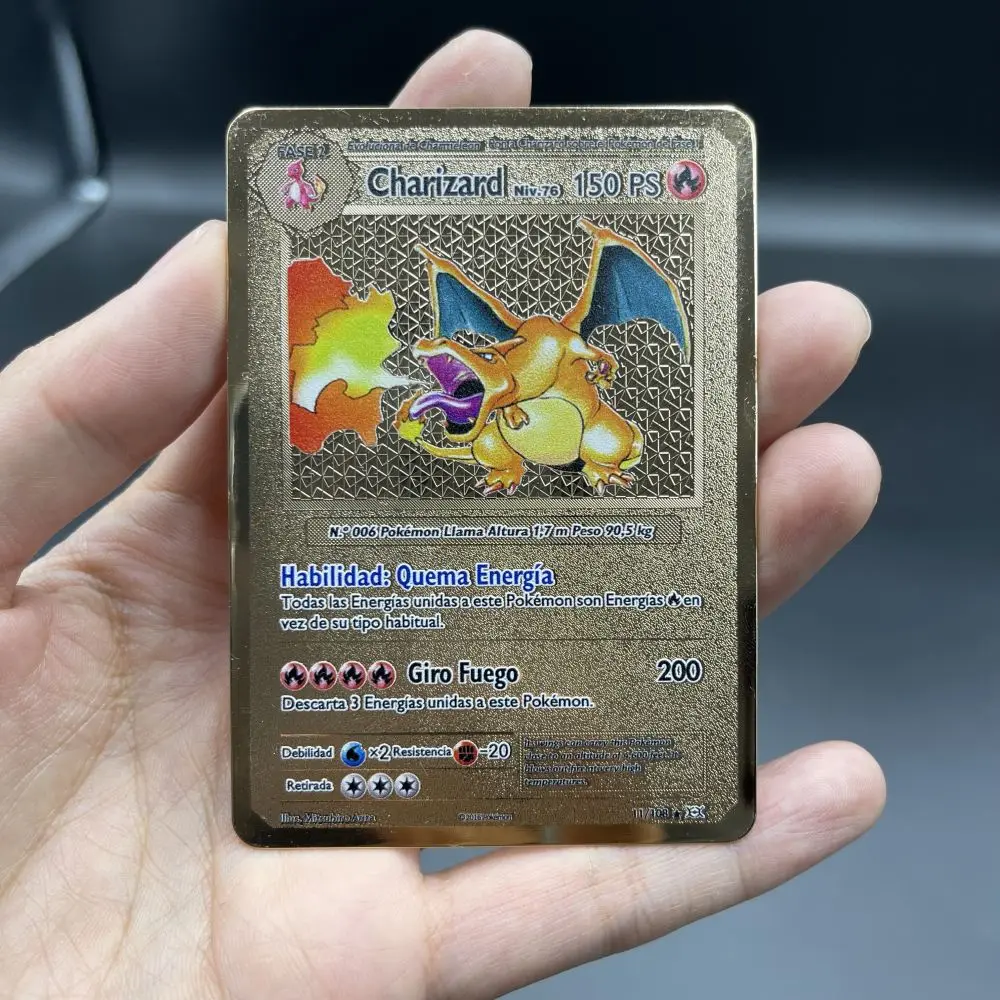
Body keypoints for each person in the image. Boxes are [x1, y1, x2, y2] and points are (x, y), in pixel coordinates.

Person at [0, 28, 884, 1000]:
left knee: (611, 446)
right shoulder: (485, 374)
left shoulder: (560, 345)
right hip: (513, 447)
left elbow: (549, 368)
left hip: (582, 435)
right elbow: (473, 394)